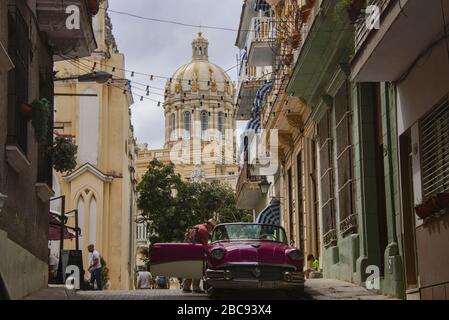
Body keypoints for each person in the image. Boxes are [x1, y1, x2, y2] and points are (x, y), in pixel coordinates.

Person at [183, 218, 216, 294]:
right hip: (197, 251)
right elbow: (205, 245)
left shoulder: (197, 226)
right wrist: (211, 251)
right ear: (210, 225)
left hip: (189, 249)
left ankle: (186, 287)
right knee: (197, 269)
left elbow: (187, 237)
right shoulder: (204, 231)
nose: (212, 230)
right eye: (213, 228)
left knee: (189, 268)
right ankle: (196, 288)